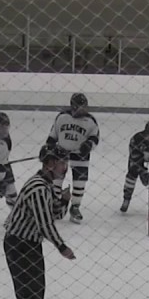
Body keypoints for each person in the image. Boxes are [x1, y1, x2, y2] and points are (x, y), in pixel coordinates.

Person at [3, 145, 76, 299]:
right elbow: (45, 223)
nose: (66, 167)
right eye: (62, 162)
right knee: (27, 292)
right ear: (50, 164)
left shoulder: (49, 184)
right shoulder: (38, 188)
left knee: (37, 289)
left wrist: (63, 200)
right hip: (19, 244)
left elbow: (55, 214)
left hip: (30, 244)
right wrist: (62, 246)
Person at [44, 93, 100, 224]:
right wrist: (49, 147)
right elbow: (53, 135)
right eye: (80, 107)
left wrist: (88, 145)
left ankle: (75, 207)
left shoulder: (90, 120)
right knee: (56, 180)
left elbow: (95, 137)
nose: (83, 110)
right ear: (73, 106)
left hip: (80, 154)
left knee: (80, 181)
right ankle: (55, 205)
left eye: (84, 107)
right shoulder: (62, 117)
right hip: (60, 153)